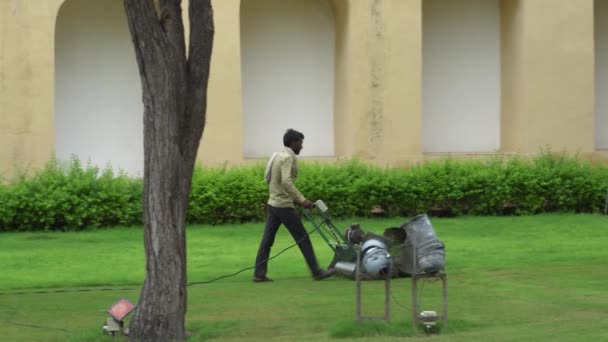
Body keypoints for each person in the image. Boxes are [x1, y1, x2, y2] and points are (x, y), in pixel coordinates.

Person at [253, 129, 335, 282]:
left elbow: (268, 178)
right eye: (301, 143)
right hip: (283, 205)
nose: (302, 146)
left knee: (267, 240)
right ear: (293, 143)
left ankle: (259, 274)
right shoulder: (288, 158)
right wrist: (302, 200)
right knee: (303, 237)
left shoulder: (277, 155)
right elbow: (286, 182)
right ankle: (317, 272)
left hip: (273, 203)